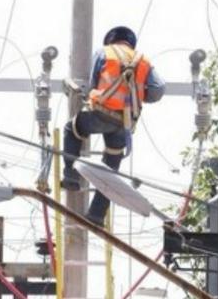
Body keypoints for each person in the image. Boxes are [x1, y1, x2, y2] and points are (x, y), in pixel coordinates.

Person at [61, 25, 165, 226]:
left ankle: (70, 176)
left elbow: (93, 82)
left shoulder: (104, 53)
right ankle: (97, 214)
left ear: (111, 40)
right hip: (124, 122)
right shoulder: (143, 61)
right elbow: (158, 90)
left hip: (101, 113)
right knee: (111, 167)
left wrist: (96, 95)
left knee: (72, 129)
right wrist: (139, 95)